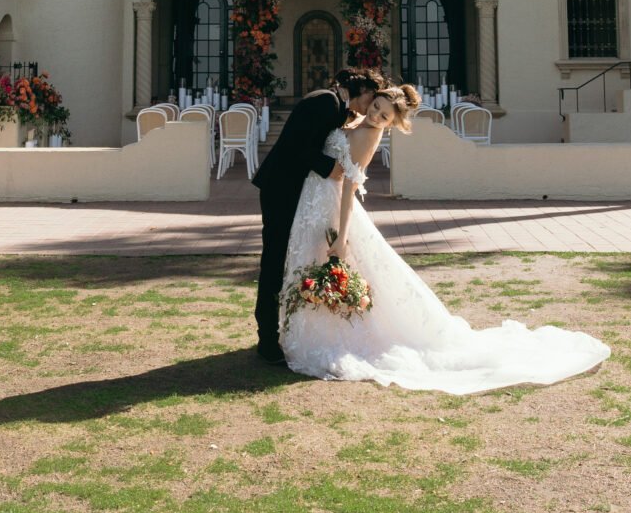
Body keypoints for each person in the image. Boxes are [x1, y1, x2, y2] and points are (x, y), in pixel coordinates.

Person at [278, 84, 610, 393]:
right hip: (314, 198)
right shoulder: (356, 123)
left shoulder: (369, 137)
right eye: (376, 107)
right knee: (309, 259)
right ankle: (312, 330)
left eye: (384, 117)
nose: (376, 116)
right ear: (372, 100)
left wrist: (343, 235)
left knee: (331, 260)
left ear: (393, 123)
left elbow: (350, 188)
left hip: (332, 205)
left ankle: (334, 336)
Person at [251, 68, 382, 365]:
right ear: (361, 89)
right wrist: (330, 167)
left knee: (287, 259)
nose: (370, 107)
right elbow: (296, 145)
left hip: (295, 191)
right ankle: (267, 338)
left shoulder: (335, 106)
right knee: (274, 259)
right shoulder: (323, 101)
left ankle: (282, 330)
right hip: (281, 189)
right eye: (371, 99)